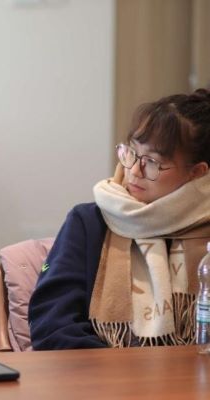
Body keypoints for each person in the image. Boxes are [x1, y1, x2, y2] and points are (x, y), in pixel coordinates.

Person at [28, 88, 210, 350]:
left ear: (197, 172)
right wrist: (118, 369)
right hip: (102, 373)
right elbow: (52, 323)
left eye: (152, 162)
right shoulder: (89, 222)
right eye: (131, 152)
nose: (133, 170)